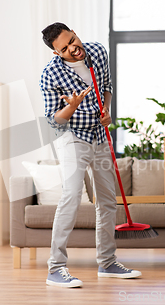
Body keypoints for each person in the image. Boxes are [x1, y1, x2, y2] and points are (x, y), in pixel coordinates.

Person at [39, 22, 142, 288]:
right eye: (65, 48)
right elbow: (55, 122)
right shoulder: (50, 74)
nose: (74, 49)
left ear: (75, 33)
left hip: (99, 135)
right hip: (73, 137)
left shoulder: (97, 52)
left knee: (108, 200)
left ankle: (107, 263)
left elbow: (106, 86)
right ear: (56, 53)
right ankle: (56, 267)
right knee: (71, 196)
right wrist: (71, 107)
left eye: (73, 40)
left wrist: (107, 111)